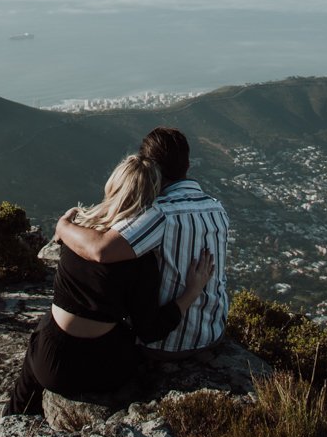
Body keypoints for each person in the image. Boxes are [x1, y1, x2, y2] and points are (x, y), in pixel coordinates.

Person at [4, 153, 213, 415]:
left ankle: (11, 421)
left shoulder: (77, 232)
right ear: (152, 197)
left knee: (44, 331)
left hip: (49, 362)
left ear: (113, 185)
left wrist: (64, 225)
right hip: (103, 369)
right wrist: (191, 292)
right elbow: (150, 329)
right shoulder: (141, 259)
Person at [55, 127, 228, 360]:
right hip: (213, 334)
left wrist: (64, 227)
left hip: (167, 342)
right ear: (187, 165)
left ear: (151, 168)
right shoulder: (217, 208)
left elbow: (101, 250)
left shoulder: (158, 214)